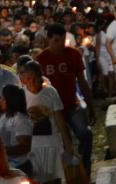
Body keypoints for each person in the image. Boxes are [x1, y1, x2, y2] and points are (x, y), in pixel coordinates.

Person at [35, 22, 94, 171]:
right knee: (62, 143)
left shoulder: (73, 54)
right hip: (53, 111)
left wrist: (90, 105)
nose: (60, 44)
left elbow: (82, 80)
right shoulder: (41, 59)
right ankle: (70, 174)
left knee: (85, 133)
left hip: (71, 105)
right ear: (48, 40)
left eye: (62, 40)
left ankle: (84, 170)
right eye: (56, 41)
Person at [0, 84, 34, 173]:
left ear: (9, 100)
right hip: (9, 165)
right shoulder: (6, 116)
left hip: (19, 167)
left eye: (3, 98)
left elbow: (25, 147)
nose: (0, 100)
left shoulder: (20, 119)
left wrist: (2, 150)